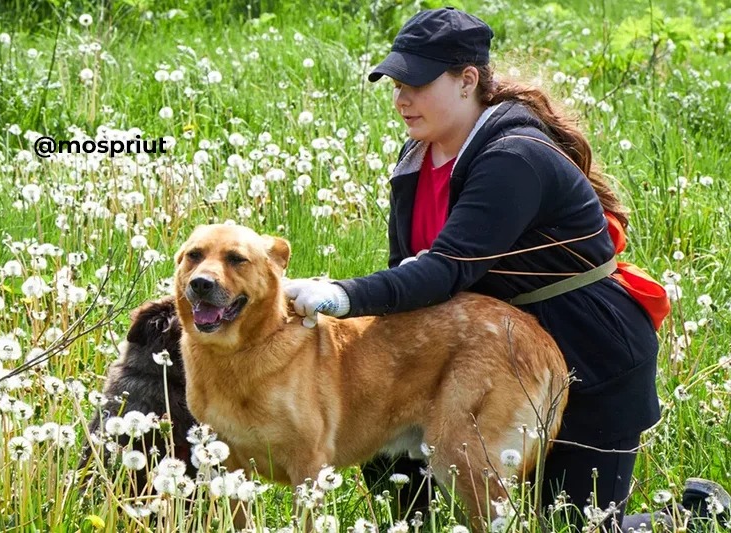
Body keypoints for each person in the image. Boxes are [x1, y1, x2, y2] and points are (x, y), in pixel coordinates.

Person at [283, 7, 730, 532]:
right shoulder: (415, 158)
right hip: (485, 356)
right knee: (399, 486)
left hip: (589, 352)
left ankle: (696, 516)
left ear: (467, 80)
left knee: (575, 525)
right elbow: (404, 276)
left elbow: (444, 271)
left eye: (418, 83)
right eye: (396, 83)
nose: (402, 98)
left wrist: (340, 296)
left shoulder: (513, 158)